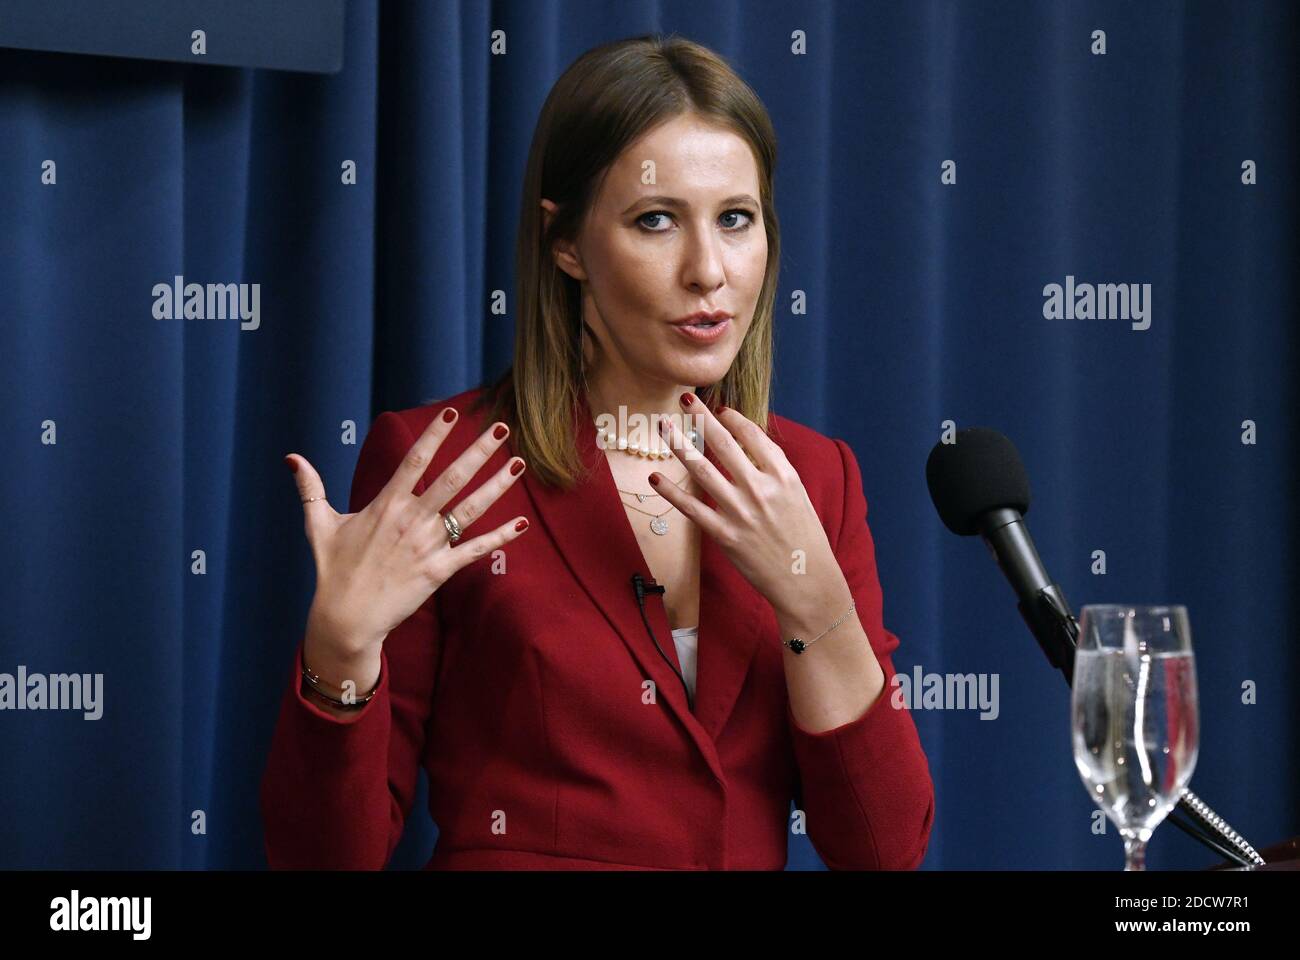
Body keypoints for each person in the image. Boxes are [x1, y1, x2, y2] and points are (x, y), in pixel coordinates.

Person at [259, 33, 934, 871]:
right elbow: (324, 859)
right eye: (657, 221)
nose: (709, 270)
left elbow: (883, 848)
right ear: (566, 243)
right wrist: (339, 650)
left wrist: (814, 603)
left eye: (736, 219)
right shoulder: (443, 464)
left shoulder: (814, 479)